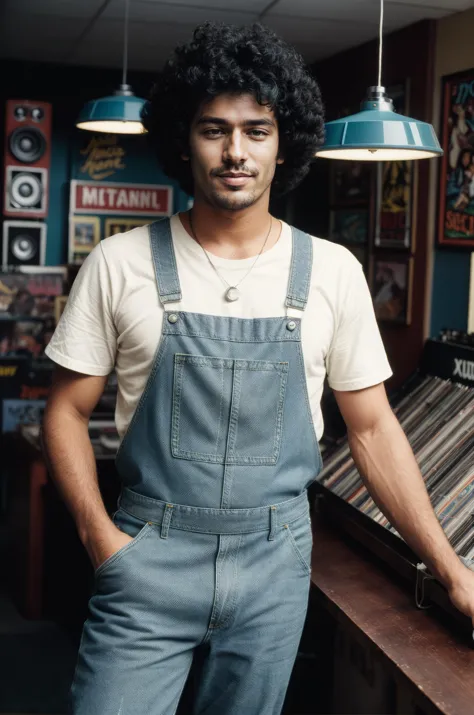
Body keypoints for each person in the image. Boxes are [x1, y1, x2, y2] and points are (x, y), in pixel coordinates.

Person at [42, 21, 474, 715]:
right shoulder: (119, 264)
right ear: (184, 140)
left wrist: (453, 570)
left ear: (285, 144)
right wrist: (101, 538)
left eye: (257, 130)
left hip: (274, 565)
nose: (235, 151)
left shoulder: (332, 271)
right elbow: (62, 411)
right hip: (147, 556)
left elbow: (372, 429)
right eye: (214, 129)